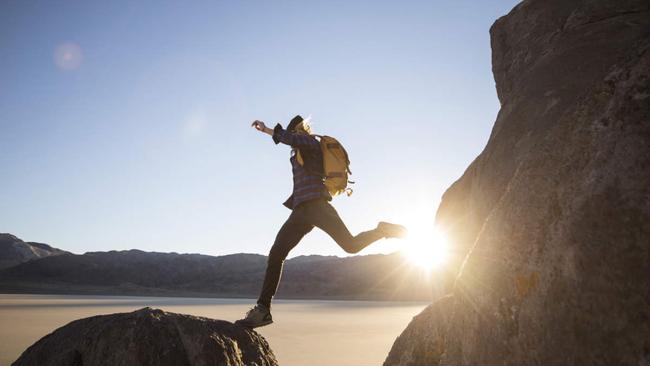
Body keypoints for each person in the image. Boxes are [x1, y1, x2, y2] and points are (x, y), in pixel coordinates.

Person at [235, 115, 407, 328]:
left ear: (300, 130)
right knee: (277, 253)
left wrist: (268, 130)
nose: (292, 134)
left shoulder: (309, 142)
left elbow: (292, 139)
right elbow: (293, 147)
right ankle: (263, 310)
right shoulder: (297, 154)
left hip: (317, 206)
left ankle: (381, 230)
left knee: (350, 245)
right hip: (300, 211)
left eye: (294, 130)